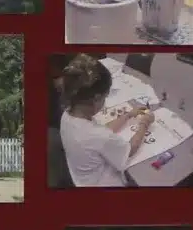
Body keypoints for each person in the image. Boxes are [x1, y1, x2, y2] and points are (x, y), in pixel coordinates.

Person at [54, 54, 151, 187]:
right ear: (97, 98)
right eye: (105, 97)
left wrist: (128, 115)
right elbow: (129, 149)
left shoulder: (67, 115)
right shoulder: (99, 136)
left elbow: (101, 132)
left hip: (80, 179)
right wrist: (145, 123)